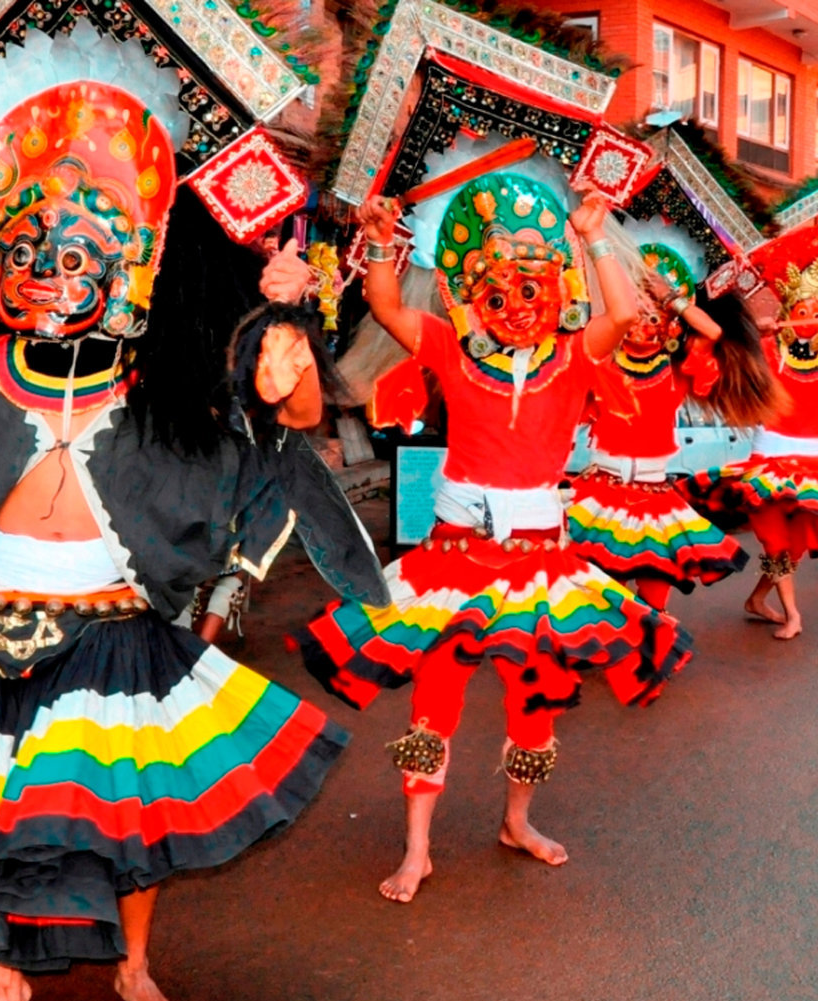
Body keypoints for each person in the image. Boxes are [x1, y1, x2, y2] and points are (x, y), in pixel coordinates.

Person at [0, 76, 386, 1001]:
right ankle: (3, 976)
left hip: (115, 633)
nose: (50, 270)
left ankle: (134, 969)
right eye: (30, 250)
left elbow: (285, 415)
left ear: (128, 268)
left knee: (127, 820)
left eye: (77, 252)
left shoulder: (162, 384)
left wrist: (292, 338)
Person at [296, 172, 693, 902]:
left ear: (557, 290)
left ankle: (517, 821)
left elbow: (626, 307)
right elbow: (384, 305)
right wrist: (381, 243)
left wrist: (597, 233)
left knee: (535, 703)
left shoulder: (577, 356)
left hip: (541, 566)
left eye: (532, 290)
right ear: (474, 296)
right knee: (433, 701)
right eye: (500, 294)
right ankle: (417, 848)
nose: (517, 307)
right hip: (450, 560)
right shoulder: (451, 347)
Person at [566, 230, 784, 611]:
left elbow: (712, 332)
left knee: (655, 591)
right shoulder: (602, 361)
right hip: (602, 491)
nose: (643, 322)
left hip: (654, 495)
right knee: (601, 587)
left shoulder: (677, 372)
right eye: (636, 311)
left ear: (670, 326)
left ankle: (650, 646)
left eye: (655, 315)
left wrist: (671, 297)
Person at [680, 243, 818, 640]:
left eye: (813, 313)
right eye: (800, 311)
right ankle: (794, 615)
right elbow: (730, 345)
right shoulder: (769, 353)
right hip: (767, 467)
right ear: (787, 313)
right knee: (775, 542)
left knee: (794, 547)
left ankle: (757, 600)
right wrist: (758, 330)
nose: (806, 320)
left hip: (810, 469)